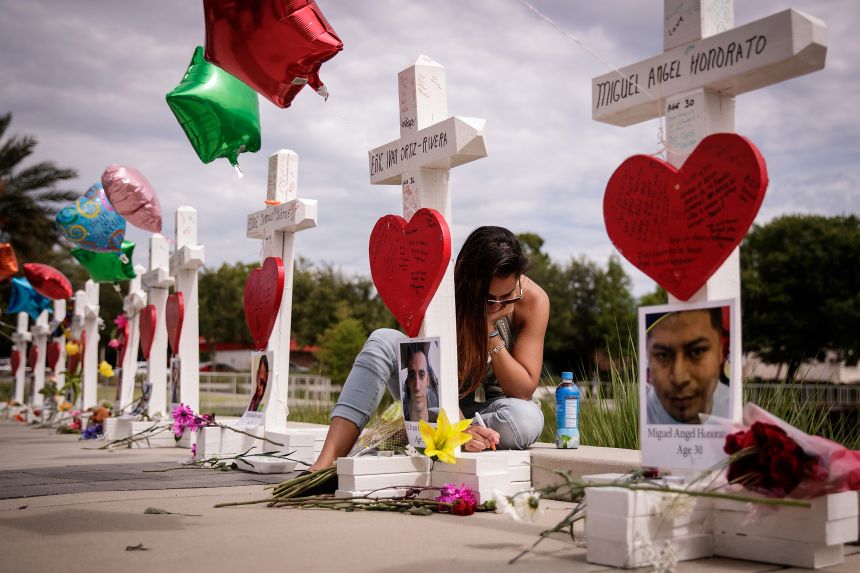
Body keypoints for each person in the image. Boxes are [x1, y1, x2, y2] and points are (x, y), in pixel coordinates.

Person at [309, 226, 549, 470]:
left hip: (492, 410)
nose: (498, 304)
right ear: (469, 284)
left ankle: (414, 433)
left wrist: (490, 329)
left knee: (526, 420)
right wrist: (459, 427)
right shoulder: (444, 287)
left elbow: (522, 390)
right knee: (381, 340)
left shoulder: (533, 300)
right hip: (432, 396)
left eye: (506, 296)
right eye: (488, 299)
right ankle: (326, 461)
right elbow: (423, 359)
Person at [645, 307, 730, 424]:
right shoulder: (638, 418)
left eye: (697, 351)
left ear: (720, 350)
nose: (679, 379)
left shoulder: (736, 411)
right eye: (663, 355)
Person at [400, 341, 439, 422]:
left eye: (421, 375)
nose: (417, 387)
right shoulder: (400, 424)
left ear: (428, 380)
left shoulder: (439, 418)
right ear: (407, 382)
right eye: (412, 376)